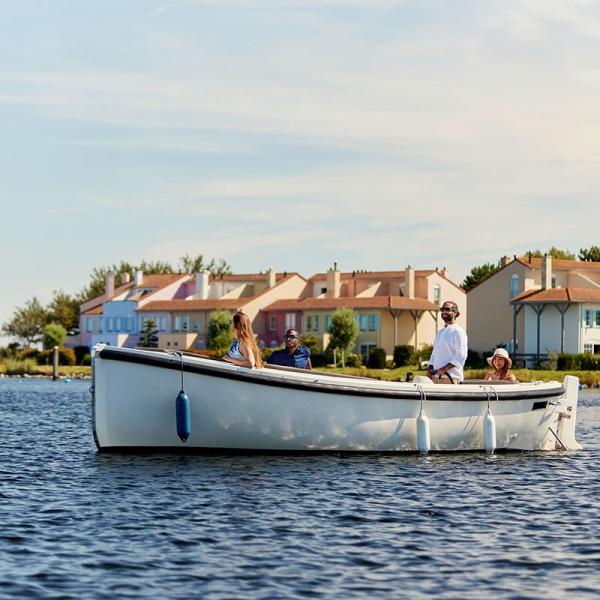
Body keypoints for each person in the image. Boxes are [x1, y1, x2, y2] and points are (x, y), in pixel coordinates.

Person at [427, 300, 468, 383]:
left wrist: (444, 369)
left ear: (455, 313)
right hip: (435, 377)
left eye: (447, 309)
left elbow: (461, 354)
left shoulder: (459, 331)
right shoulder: (440, 332)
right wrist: (430, 369)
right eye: (442, 309)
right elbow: (434, 354)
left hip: (451, 378)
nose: (444, 312)